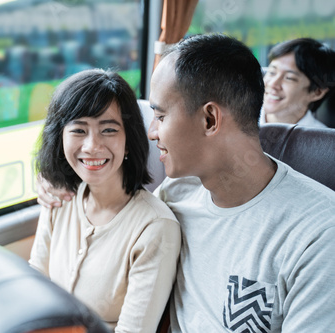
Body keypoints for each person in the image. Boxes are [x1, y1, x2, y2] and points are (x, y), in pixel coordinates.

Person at [38, 34, 335, 332]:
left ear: (209, 120)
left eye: (160, 116)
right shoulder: (176, 195)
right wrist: (54, 183)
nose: (152, 132)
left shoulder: (319, 235)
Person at [29, 69, 181, 332]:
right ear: (60, 138)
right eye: (78, 130)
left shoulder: (155, 227)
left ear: (128, 140)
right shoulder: (58, 198)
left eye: (108, 130)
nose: (91, 146)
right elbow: (34, 287)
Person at [261, 37, 335, 128]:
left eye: (289, 78)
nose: (273, 84)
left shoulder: (324, 140)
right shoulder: (240, 121)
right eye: (272, 72)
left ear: (317, 92)